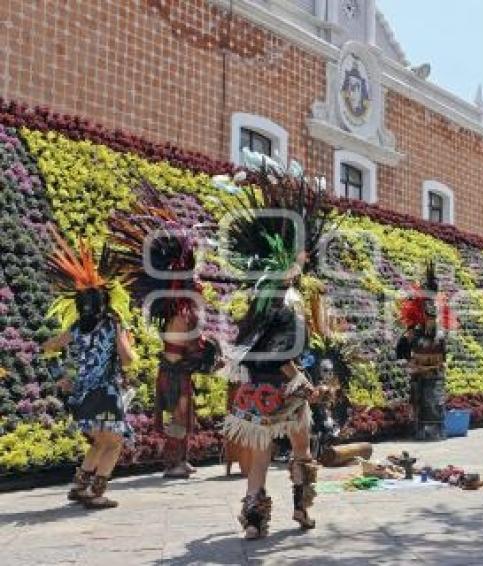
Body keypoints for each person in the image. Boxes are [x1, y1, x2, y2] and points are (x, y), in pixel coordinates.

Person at [219, 159, 333, 540]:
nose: (304, 263)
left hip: (256, 388)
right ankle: (301, 509)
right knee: (301, 447)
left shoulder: (260, 298)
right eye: (301, 258)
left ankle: (254, 519)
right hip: (283, 387)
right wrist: (301, 382)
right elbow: (282, 353)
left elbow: (251, 347)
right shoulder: (289, 300)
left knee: (261, 456)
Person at [109, 189, 220, 479]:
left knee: (182, 414)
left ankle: (180, 458)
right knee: (179, 415)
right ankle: (173, 463)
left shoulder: (179, 309)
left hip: (175, 370)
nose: (201, 286)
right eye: (196, 283)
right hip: (173, 371)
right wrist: (206, 349)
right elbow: (191, 342)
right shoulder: (182, 313)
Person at [42, 230, 136, 509]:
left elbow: (47, 348)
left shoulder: (75, 330)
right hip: (105, 392)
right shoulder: (111, 324)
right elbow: (128, 359)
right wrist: (125, 343)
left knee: (98, 442)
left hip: (81, 394)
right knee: (114, 442)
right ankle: (96, 493)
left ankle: (80, 487)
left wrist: (61, 378)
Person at [396, 263, 450, 441]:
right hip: (419, 374)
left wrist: (439, 363)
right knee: (418, 400)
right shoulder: (414, 334)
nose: (431, 318)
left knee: (435, 401)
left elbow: (444, 354)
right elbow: (403, 352)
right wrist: (410, 362)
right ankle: (419, 428)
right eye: (428, 315)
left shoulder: (440, 334)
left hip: (435, 374)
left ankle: (437, 429)